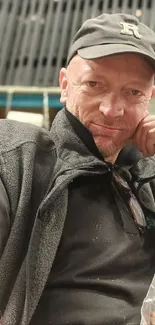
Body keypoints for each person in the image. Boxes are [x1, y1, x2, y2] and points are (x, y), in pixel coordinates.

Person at [1, 12, 155, 325]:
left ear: (149, 98)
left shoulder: (147, 179)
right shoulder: (18, 159)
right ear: (64, 84)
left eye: (133, 92)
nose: (112, 110)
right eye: (94, 84)